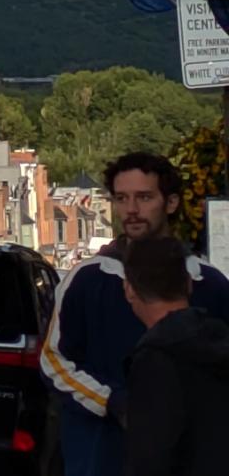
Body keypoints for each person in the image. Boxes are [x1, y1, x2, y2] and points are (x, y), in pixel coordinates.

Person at [41, 152, 229, 476]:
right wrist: (113, 401)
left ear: (170, 203)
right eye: (121, 198)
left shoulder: (209, 282)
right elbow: (54, 361)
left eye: (144, 197)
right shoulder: (87, 279)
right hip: (100, 457)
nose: (131, 210)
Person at [119, 232, 229, 475]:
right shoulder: (219, 337)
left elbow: (151, 457)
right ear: (189, 283)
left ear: (129, 289)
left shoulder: (156, 360)